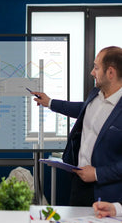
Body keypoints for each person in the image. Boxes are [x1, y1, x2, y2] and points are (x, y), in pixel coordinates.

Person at [32, 46, 122, 206]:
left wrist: (97, 173)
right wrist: (50, 103)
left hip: (107, 193)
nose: (92, 73)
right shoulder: (96, 94)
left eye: (96, 68)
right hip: (79, 185)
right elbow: (83, 110)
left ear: (110, 73)